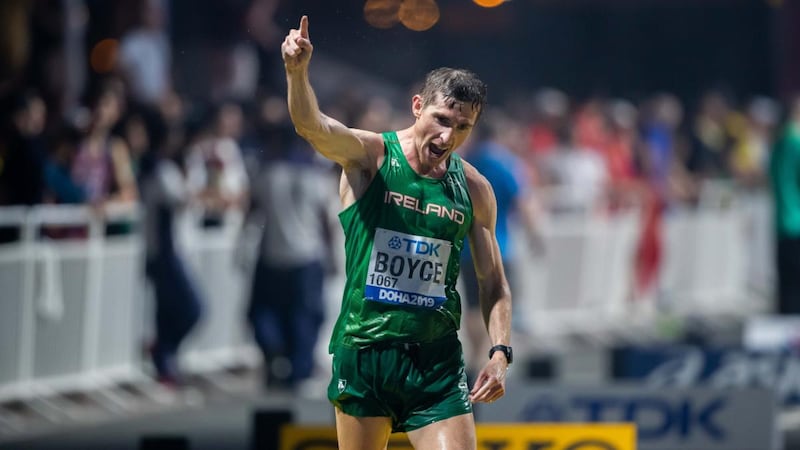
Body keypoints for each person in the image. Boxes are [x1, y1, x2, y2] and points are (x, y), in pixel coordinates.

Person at [282, 16, 512, 450]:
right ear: (417, 106)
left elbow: (493, 282)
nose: (448, 136)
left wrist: (500, 352)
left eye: (462, 127)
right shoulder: (370, 157)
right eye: (442, 119)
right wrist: (297, 74)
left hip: (436, 362)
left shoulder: (475, 189)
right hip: (367, 353)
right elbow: (312, 127)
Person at [458, 111, 544, 378]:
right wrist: (535, 235)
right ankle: (485, 358)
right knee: (496, 301)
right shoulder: (509, 164)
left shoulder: (466, 162)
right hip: (500, 247)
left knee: (473, 304)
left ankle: (473, 355)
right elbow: (524, 202)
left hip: (466, 248)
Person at [769, 94, 800, 315]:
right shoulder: (795, 144)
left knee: (786, 287)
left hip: (782, 221)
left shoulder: (777, 144)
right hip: (797, 220)